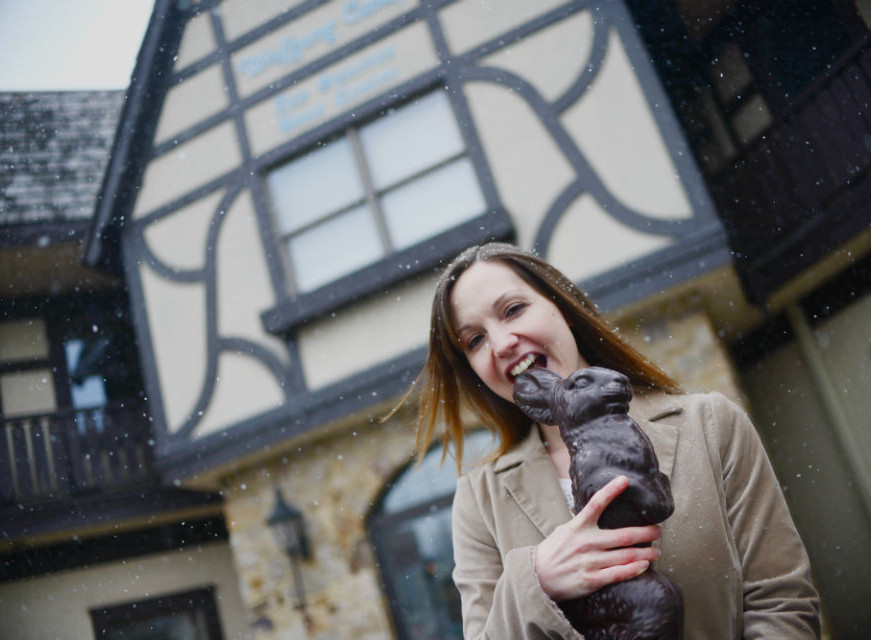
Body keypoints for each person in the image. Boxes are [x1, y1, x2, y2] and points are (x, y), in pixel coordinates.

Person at [401, 242, 820, 639]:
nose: (501, 343)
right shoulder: (480, 500)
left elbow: (781, 601)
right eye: (474, 340)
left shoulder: (709, 424)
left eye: (513, 310)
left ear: (562, 308)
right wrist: (537, 581)